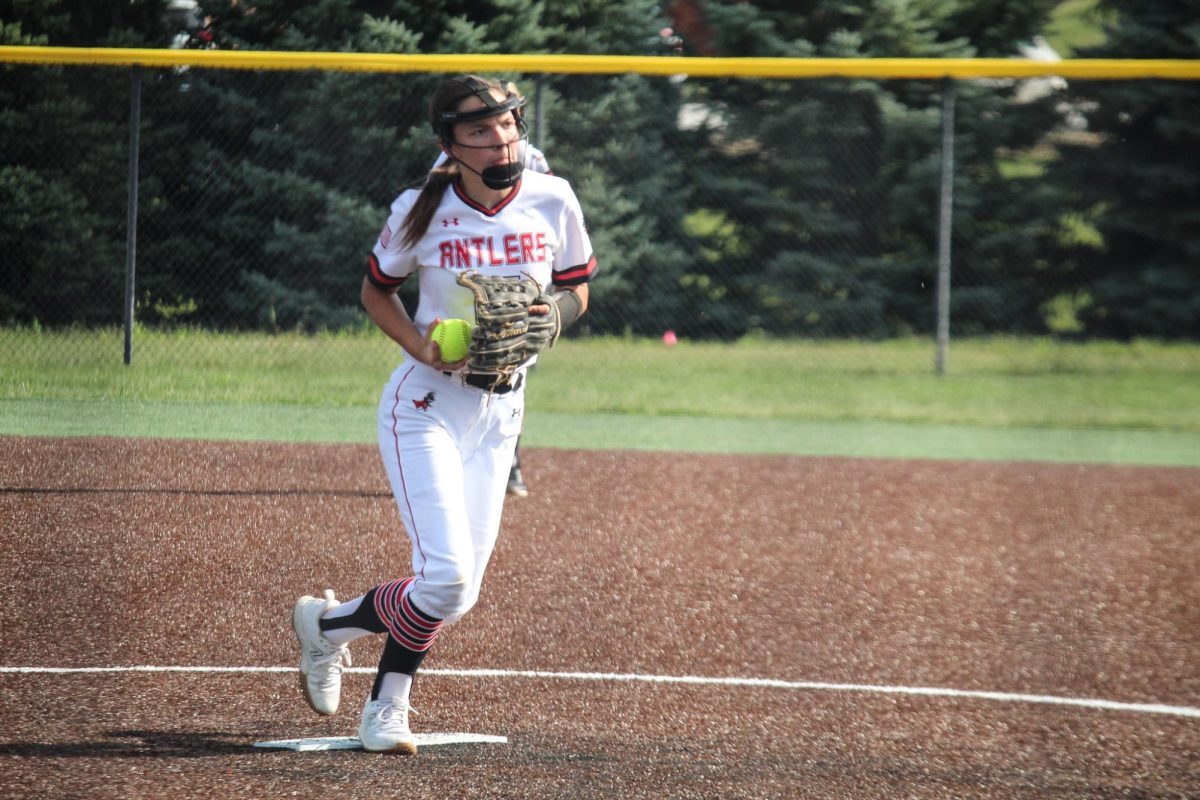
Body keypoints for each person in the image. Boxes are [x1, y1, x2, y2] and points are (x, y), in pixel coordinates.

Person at [291, 75, 595, 754]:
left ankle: (328, 627)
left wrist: (553, 321)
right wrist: (418, 345)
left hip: (500, 414)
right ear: (449, 146)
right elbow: (377, 292)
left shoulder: (553, 198)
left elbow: (577, 286)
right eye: (480, 131)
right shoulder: (420, 209)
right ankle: (386, 710)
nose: (500, 139)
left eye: (508, 125)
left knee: (456, 595)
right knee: (446, 578)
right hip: (425, 407)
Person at [429, 83, 550, 500]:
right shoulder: (456, 153)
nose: (500, 131)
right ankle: (442, 459)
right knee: (453, 370)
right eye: (487, 123)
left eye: (508, 117)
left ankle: (508, 460)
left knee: (510, 365)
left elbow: (543, 213)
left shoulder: (532, 159)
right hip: (466, 279)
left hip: (516, 285)